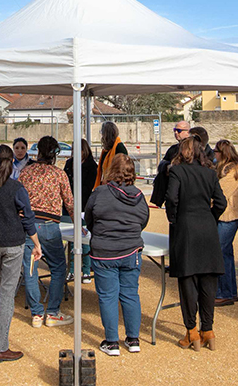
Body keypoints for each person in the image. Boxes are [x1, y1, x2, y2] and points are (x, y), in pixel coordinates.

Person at [0, 144, 42, 363]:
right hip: (12, 242)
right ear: (12, 163)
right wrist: (36, 243)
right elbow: (28, 218)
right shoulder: (16, 187)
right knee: (6, 293)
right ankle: (0, 346)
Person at [166, 135, 226, 351]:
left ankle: (192, 330)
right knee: (208, 280)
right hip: (207, 227)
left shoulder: (177, 171)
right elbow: (221, 202)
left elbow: (171, 198)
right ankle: (207, 329)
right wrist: (211, 216)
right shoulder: (210, 173)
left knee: (188, 281)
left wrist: (174, 218)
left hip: (186, 227)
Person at [85, 153, 149, 357]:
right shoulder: (139, 196)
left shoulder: (100, 192)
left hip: (105, 251)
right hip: (131, 250)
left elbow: (89, 218)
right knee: (130, 294)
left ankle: (112, 341)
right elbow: (143, 220)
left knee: (108, 296)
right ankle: (133, 339)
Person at [17, 136, 74, 327]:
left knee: (30, 269)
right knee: (58, 268)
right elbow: (69, 203)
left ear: (38, 151)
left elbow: (17, 198)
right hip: (50, 225)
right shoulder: (59, 174)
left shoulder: (26, 172)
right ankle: (52, 312)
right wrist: (78, 224)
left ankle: (36, 313)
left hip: (28, 224)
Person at [213, 139, 238, 307]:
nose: (214, 154)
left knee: (220, 253)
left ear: (223, 153)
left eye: (216, 151)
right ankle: (230, 291)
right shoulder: (226, 167)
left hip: (230, 216)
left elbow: (219, 191)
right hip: (227, 215)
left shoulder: (233, 170)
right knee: (226, 253)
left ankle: (224, 293)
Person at [64, 138, 96, 282]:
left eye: (80, 149)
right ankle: (72, 269)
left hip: (84, 205)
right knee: (71, 238)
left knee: (84, 237)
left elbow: (89, 186)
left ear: (85, 150)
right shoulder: (69, 163)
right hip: (70, 205)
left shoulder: (91, 165)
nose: (76, 152)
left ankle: (86, 270)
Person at [151, 121, 190, 207]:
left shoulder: (195, 149)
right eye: (174, 130)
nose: (176, 133)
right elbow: (161, 165)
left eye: (179, 131)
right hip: (172, 190)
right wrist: (168, 166)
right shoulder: (173, 149)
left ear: (188, 132)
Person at [93, 121, 128, 189]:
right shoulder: (106, 150)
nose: (102, 137)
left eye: (102, 133)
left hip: (117, 187)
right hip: (107, 186)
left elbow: (124, 170)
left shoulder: (119, 148)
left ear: (106, 134)